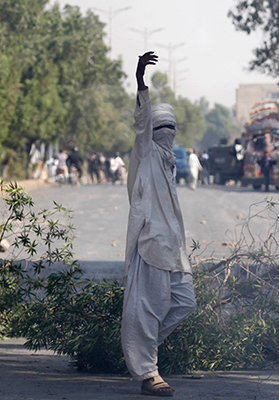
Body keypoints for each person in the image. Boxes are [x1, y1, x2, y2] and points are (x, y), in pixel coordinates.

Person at [121, 51, 196, 397]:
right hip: (150, 244)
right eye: (161, 128)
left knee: (184, 302)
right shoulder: (146, 152)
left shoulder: (168, 161)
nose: (167, 133)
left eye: (171, 128)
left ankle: (140, 348)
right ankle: (148, 372)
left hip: (174, 248)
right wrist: (140, 82)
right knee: (146, 309)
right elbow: (143, 124)